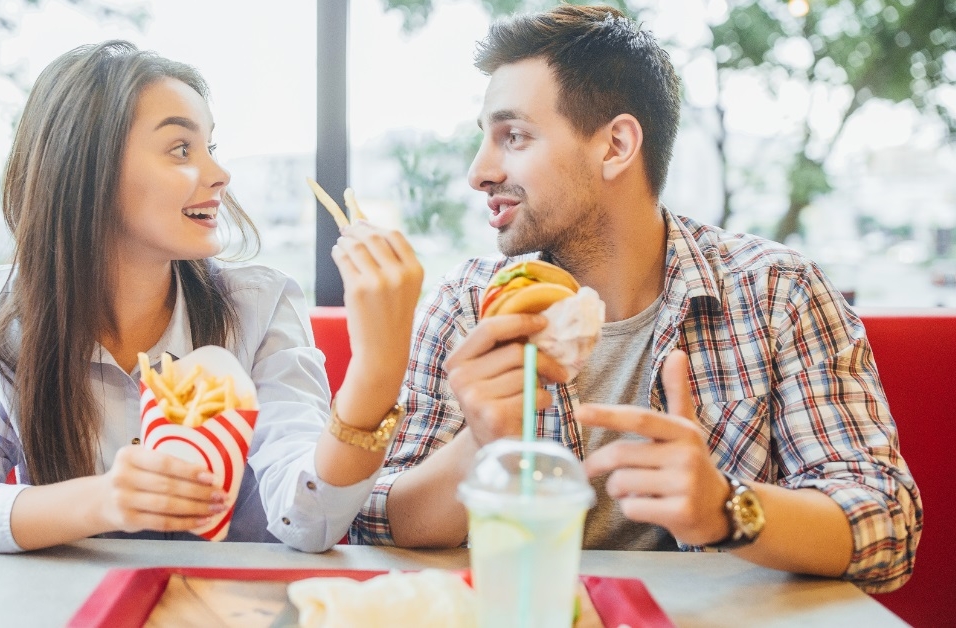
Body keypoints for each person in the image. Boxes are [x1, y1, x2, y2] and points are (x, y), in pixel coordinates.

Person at [350, 5, 920, 593]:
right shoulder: (469, 304)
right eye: (484, 140)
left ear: (616, 144)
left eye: (512, 136)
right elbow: (373, 520)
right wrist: (480, 444)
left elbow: (886, 525)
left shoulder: (777, 291)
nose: (479, 172)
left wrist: (725, 508)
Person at [0, 41, 423, 567]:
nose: (220, 173)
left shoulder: (259, 306)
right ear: (87, 168)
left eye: (211, 147)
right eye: (181, 149)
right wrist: (102, 501)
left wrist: (377, 371)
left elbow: (312, 522)